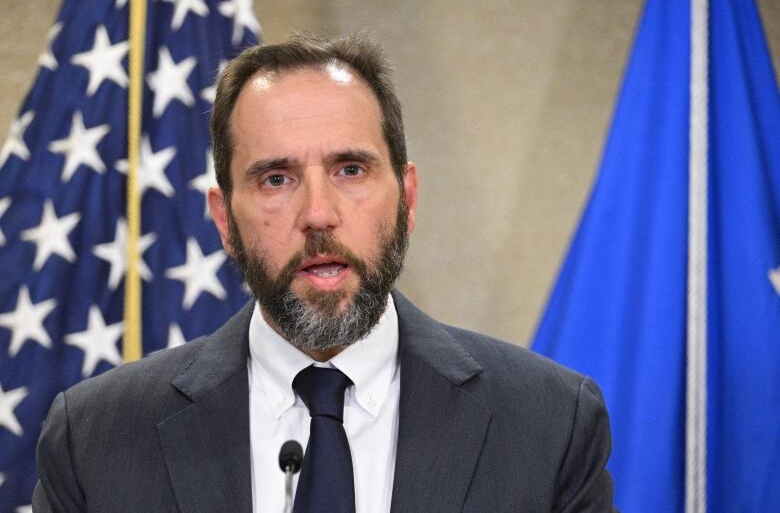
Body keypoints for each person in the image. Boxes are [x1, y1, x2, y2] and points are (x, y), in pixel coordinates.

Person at [33, 34, 614, 512]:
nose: (318, 214)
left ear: (407, 198)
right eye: (275, 179)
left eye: (351, 169)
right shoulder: (94, 439)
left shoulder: (550, 425)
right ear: (224, 221)